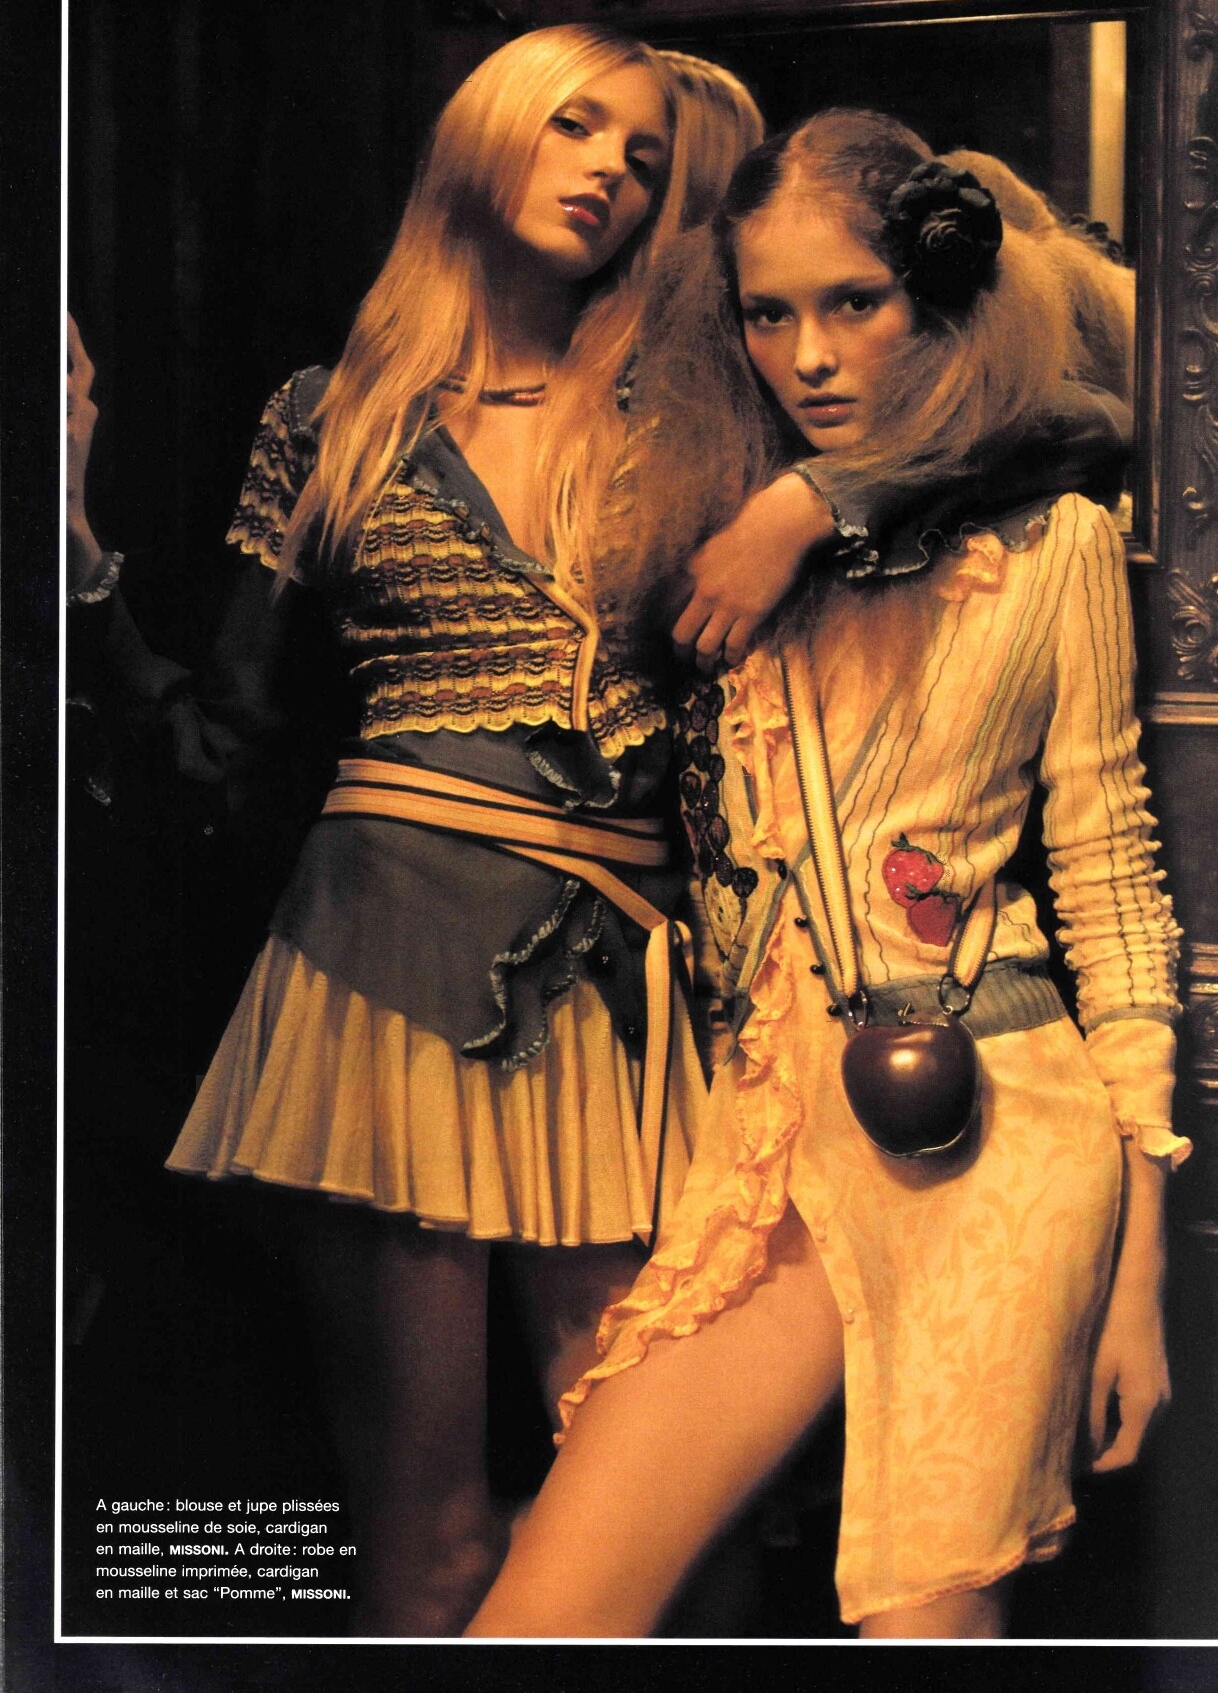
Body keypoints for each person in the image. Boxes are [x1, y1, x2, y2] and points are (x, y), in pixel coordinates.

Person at [64, 25, 782, 1637]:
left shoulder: (694, 403)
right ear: (486, 129)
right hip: (377, 962)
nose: (606, 172)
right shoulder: (333, 416)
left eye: (643, 158)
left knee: (664, 1525)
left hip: (621, 986)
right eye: (576, 125)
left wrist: (812, 502)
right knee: (425, 1530)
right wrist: (81, 556)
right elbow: (213, 743)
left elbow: (1033, 413)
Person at [466, 110, 1189, 1640]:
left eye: (853, 302)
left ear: (933, 297)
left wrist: (1138, 1269)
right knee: (544, 1615)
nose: (807, 354)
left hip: (999, 1131)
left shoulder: (1051, 539)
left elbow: (1115, 895)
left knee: (925, 1626)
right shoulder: (724, 540)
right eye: (767, 312)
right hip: (772, 1136)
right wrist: (789, 511)